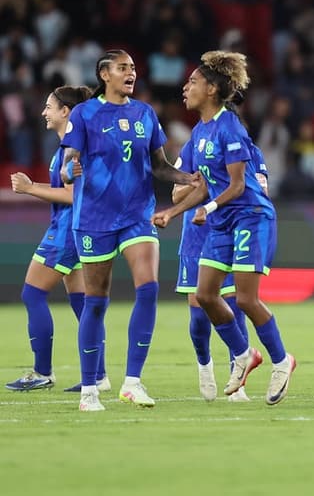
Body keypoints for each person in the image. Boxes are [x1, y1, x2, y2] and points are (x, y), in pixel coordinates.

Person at [151, 50, 295, 406]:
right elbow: (200, 185)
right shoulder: (199, 133)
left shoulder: (230, 126)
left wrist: (209, 208)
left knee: (245, 298)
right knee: (205, 296)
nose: (186, 88)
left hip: (248, 217)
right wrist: (173, 211)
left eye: (193, 82)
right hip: (220, 221)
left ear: (212, 90)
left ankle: (281, 360)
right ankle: (245, 354)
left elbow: (238, 185)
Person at [60, 49, 198, 412]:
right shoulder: (84, 113)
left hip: (138, 214)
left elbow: (160, 166)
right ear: (104, 74)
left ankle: (132, 382)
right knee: (96, 302)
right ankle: (89, 389)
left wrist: (187, 178)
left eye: (133, 67)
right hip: (94, 218)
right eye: (123, 68)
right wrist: (65, 172)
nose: (131, 73)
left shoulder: (144, 113)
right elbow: (69, 158)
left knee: (149, 288)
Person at [5, 85, 109, 393]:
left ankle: (43, 371)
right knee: (82, 303)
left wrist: (30, 188)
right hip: (75, 229)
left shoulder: (74, 150)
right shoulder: (68, 147)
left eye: (49, 106)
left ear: (66, 112)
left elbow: (72, 194)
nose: (43, 112)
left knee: (31, 294)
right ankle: (99, 375)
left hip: (68, 229)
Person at [172, 139, 270, 402]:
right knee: (199, 315)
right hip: (197, 237)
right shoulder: (194, 147)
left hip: (232, 235)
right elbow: (176, 195)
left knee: (236, 308)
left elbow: (262, 191)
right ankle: (204, 365)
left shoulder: (249, 150)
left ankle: (237, 383)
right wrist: (202, 185)